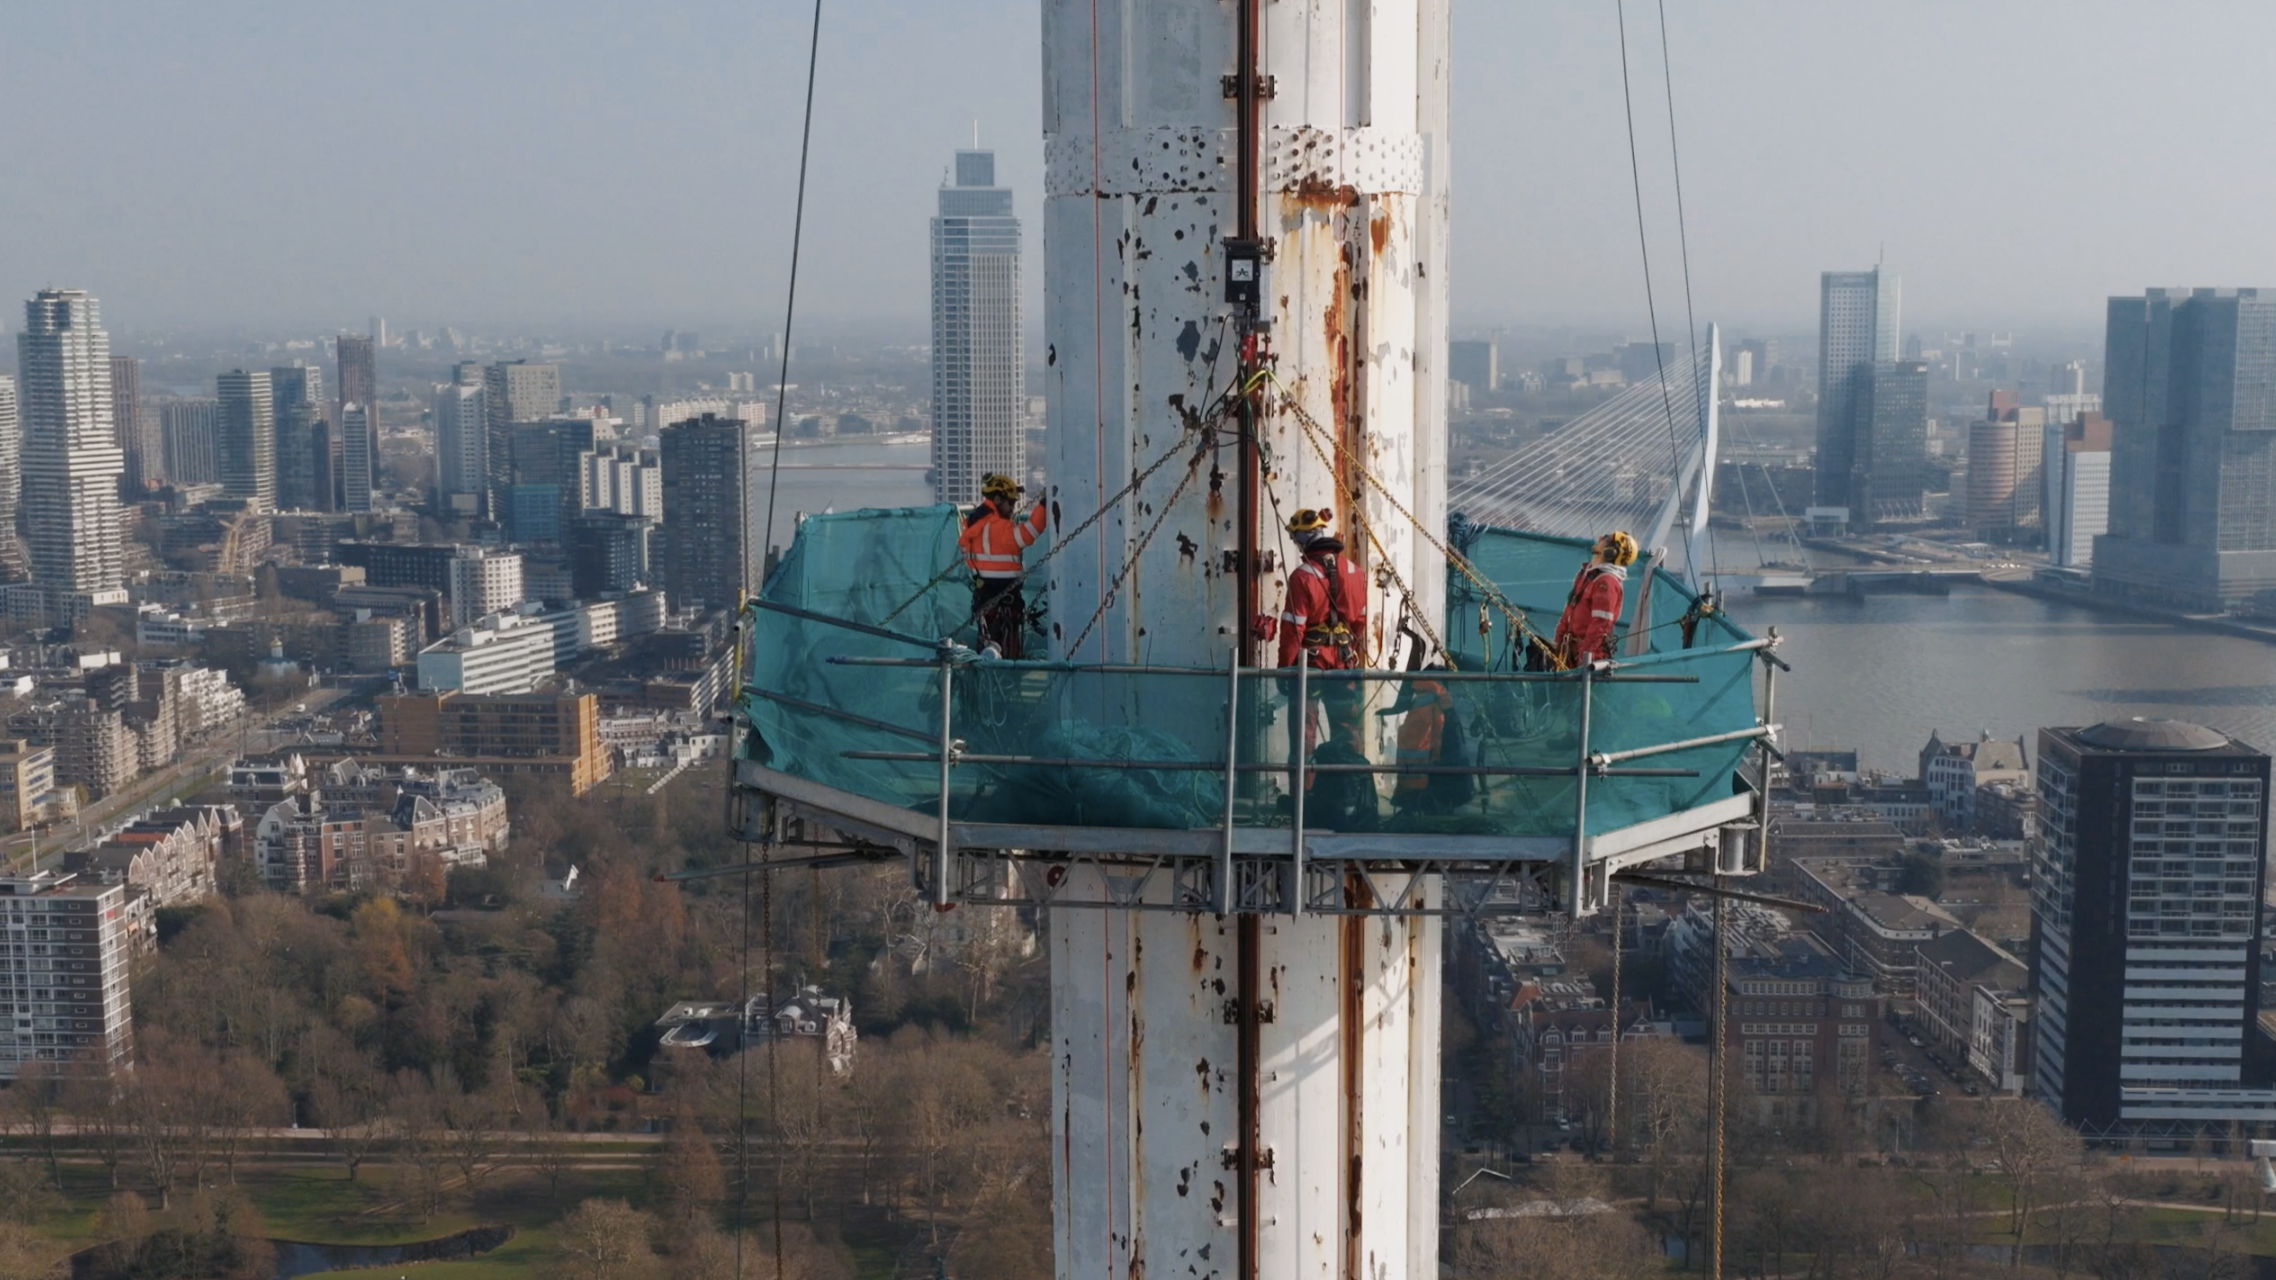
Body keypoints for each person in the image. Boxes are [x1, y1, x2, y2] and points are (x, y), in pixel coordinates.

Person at [958, 473, 1048, 657]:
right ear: (997, 499)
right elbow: (1029, 533)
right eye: (1010, 503)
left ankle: (988, 682)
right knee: (1007, 652)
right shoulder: (998, 527)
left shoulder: (975, 525)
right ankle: (1008, 683)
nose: (1013, 508)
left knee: (987, 649)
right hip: (1005, 603)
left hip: (984, 598)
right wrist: (1044, 506)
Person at [1553, 529, 1637, 667]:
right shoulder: (1588, 575)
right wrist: (1559, 640)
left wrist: (1583, 658)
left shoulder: (1606, 582)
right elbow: (1569, 609)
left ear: (1611, 552)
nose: (1600, 538)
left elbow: (1601, 624)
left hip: (1590, 657)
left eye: (1606, 538)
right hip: (1571, 650)